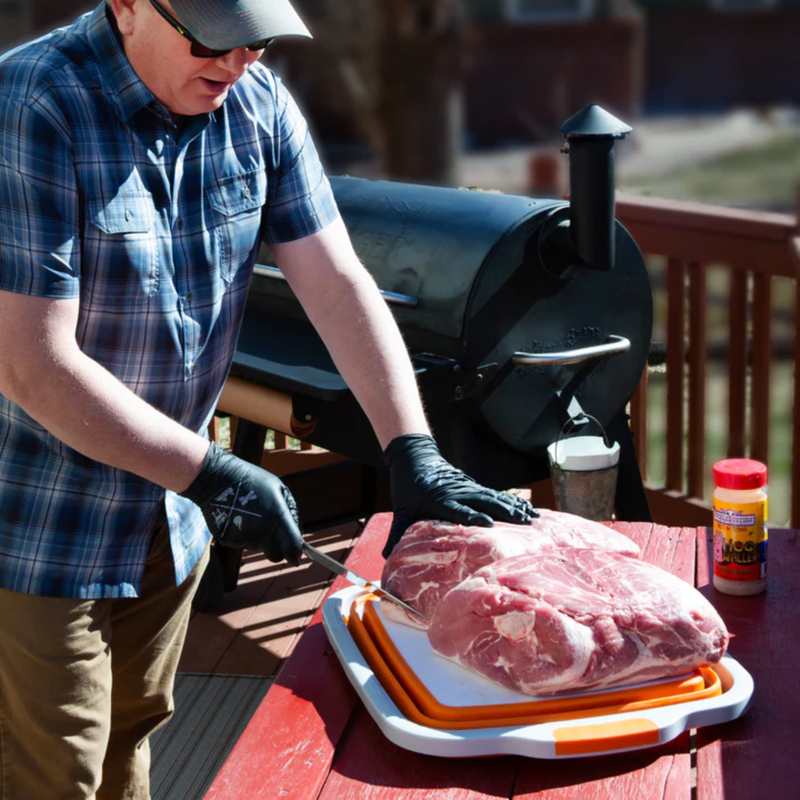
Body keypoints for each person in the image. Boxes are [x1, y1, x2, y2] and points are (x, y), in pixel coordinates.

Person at [0, 1, 536, 797]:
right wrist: (212, 474)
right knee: (58, 775)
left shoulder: (254, 104)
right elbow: (32, 365)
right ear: (126, 6)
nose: (239, 60)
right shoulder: (35, 102)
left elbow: (337, 284)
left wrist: (413, 450)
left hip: (166, 514)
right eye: (214, 37)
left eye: (256, 39)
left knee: (129, 743)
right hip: (39, 519)